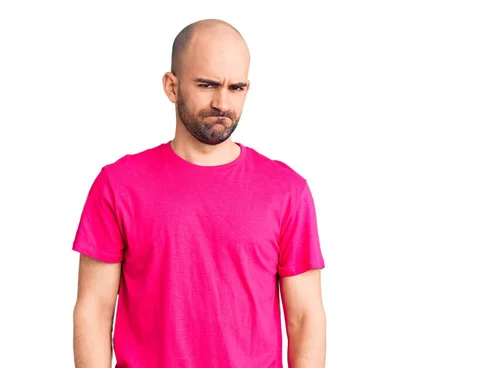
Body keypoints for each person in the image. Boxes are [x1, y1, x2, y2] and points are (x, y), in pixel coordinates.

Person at [72, 19, 326, 368]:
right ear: (172, 86)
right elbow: (93, 312)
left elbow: (305, 318)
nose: (222, 102)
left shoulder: (287, 191)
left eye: (236, 88)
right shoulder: (118, 186)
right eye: (207, 85)